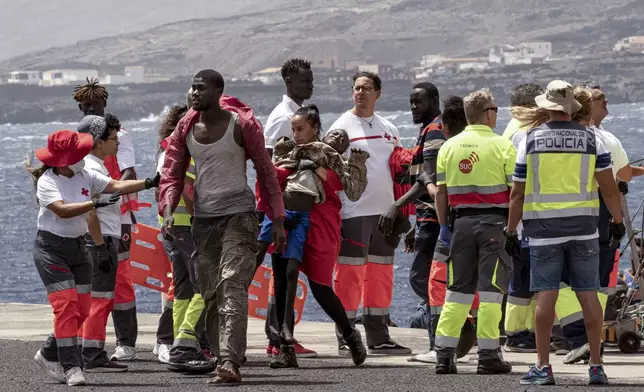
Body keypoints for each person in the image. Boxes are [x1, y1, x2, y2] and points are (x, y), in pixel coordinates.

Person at [159, 69, 286, 384]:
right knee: (210, 292)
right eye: (192, 87)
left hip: (239, 216)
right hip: (204, 221)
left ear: (218, 91)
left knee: (232, 285)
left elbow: (266, 172)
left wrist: (278, 219)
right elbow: (172, 173)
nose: (194, 92)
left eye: (201, 88)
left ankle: (229, 361)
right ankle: (222, 356)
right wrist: (168, 210)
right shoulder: (185, 128)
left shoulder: (241, 126)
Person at [505, 80, 625, 385]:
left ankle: (543, 367)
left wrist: (510, 229)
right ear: (571, 108)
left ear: (546, 107)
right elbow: (609, 188)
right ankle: (596, 366)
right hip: (584, 230)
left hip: (544, 231)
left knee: (546, 296)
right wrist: (617, 220)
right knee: (588, 296)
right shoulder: (591, 140)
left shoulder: (529, 140)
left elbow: (517, 194)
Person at [28, 129, 159, 386]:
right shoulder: (47, 181)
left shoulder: (84, 174)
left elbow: (116, 185)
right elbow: (62, 211)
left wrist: (149, 183)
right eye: (77, 154)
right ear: (63, 159)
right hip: (51, 249)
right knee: (66, 307)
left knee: (83, 309)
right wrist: (94, 205)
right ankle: (72, 367)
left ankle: (47, 352)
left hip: (79, 249)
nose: (82, 157)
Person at [258, 105, 369, 367]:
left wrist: (314, 169)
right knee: (284, 284)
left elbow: (342, 183)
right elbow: (275, 178)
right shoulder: (289, 152)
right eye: (293, 129)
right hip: (288, 221)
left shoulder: (330, 155)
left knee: (321, 288)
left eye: (301, 129)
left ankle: (350, 335)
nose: (296, 134)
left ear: (315, 129)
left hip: (320, 226)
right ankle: (285, 348)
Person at [433, 89, 515, 375]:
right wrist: (515, 227)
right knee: (491, 292)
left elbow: (440, 194)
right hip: (494, 224)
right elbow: (515, 192)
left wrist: (445, 227)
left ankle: (444, 354)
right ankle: (489, 355)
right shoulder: (502, 145)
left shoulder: (449, 147)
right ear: (488, 113)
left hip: (461, 226)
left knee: (457, 291)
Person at [330, 71, 411, 355]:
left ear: (378, 93)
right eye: (356, 88)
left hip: (386, 214)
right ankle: (346, 334)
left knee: (380, 275)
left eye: (366, 88)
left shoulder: (389, 127)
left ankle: (379, 336)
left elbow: (400, 168)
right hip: (353, 212)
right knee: (350, 276)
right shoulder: (341, 127)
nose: (360, 92)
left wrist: (403, 211)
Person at [556, 84, 633, 365]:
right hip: (598, 212)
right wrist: (617, 220)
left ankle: (576, 337)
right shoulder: (605, 139)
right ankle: (592, 339)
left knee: (562, 277)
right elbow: (621, 176)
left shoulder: (548, 138)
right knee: (597, 279)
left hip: (558, 214)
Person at [72, 78, 142, 361]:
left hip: (118, 217)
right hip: (86, 217)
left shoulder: (119, 136)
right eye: (87, 105)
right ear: (80, 107)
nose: (92, 109)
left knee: (121, 278)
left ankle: (126, 342)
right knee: (91, 279)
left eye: (96, 105)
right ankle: (88, 344)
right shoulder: (78, 137)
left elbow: (128, 171)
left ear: (105, 105)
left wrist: (110, 192)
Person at [411, 96, 476, 364]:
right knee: (469, 284)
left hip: (446, 224)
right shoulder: (486, 146)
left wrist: (426, 183)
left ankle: (446, 343)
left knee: (432, 283)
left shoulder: (447, 147)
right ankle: (479, 343)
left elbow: (441, 191)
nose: (414, 107)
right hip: (477, 223)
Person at [261, 58, 317, 359]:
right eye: (304, 80)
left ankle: (280, 335)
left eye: (311, 79)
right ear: (288, 83)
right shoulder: (283, 117)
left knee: (285, 272)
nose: (310, 84)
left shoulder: (295, 113)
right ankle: (277, 337)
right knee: (282, 272)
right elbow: (270, 165)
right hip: (284, 206)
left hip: (295, 204)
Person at [380, 83, 443, 339]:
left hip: (434, 217)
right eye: (411, 102)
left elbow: (430, 176)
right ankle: (440, 336)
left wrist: (396, 205)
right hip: (426, 217)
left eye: (419, 102)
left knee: (422, 279)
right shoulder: (427, 130)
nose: (413, 108)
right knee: (428, 279)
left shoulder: (435, 132)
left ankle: (442, 336)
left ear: (435, 101)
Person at [76, 114, 128, 373]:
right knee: (101, 298)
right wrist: (99, 246)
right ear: (98, 142)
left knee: (99, 298)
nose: (117, 143)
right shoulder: (93, 169)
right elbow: (90, 212)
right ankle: (92, 352)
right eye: (113, 139)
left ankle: (88, 350)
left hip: (104, 238)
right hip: (102, 240)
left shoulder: (94, 165)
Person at [501, 83, 544, 354]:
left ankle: (523, 331)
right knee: (523, 277)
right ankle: (517, 333)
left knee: (523, 277)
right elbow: (519, 185)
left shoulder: (512, 131)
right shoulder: (522, 134)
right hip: (525, 218)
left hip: (520, 217)